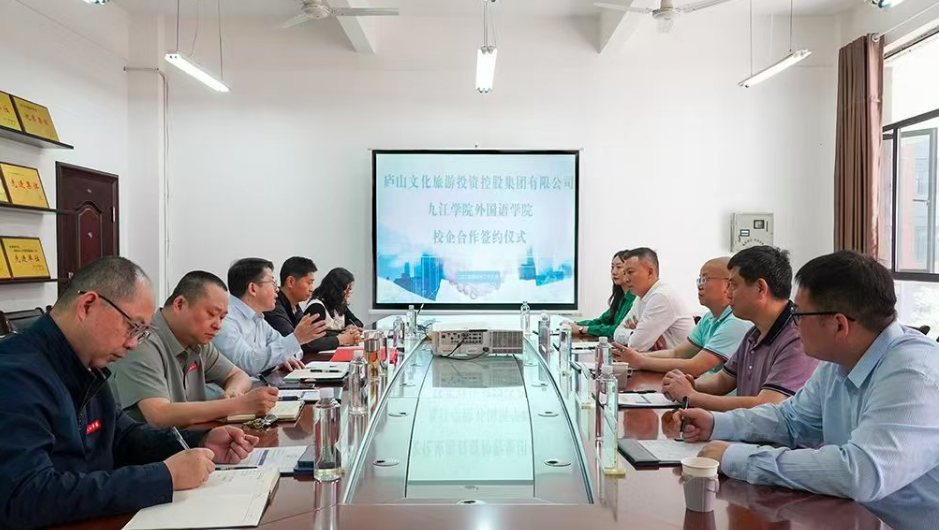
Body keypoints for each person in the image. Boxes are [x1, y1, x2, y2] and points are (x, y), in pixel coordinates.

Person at [676, 251, 939, 530]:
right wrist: (716, 423)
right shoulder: (839, 361)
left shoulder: (915, 374)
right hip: (853, 517)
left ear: (839, 324)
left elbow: (859, 473)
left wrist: (736, 458)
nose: (794, 323)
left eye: (798, 314)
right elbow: (790, 420)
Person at [0, 257, 259, 530]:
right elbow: (25, 496)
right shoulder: (15, 376)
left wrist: (200, 441)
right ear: (87, 305)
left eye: (142, 332)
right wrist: (163, 477)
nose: (134, 344)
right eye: (133, 327)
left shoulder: (87, 363)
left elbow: (123, 437)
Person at [110, 271, 279, 427]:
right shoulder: (141, 343)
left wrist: (233, 392)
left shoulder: (198, 342)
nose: (218, 325)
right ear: (179, 304)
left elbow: (238, 375)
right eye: (211, 314)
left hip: (190, 441)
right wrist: (236, 404)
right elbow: (159, 414)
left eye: (221, 317)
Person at [661, 246, 818, 412]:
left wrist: (691, 396)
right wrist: (689, 384)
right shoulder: (754, 333)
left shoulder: (797, 337)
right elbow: (723, 380)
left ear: (760, 288)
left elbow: (769, 405)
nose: (728, 293)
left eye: (733, 285)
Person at [614, 257, 751, 376]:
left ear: (728, 284)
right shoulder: (708, 318)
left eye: (705, 279)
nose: (700, 286)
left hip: (718, 395)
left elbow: (696, 366)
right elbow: (677, 353)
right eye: (699, 280)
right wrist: (636, 357)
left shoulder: (736, 322)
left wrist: (641, 361)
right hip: (701, 387)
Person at [213, 258, 328, 377]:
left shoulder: (258, 318)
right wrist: (296, 339)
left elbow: (294, 350)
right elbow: (246, 364)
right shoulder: (224, 319)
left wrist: (281, 357)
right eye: (272, 283)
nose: (277, 289)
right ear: (253, 288)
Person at [264, 256, 351, 358]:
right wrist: (341, 339)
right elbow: (300, 341)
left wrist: (344, 335)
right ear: (291, 282)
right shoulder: (274, 307)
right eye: (309, 283)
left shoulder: (294, 305)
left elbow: (312, 333)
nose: (311, 289)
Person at [612, 247, 695, 351]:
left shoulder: (661, 296)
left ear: (650, 272)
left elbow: (636, 345)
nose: (626, 279)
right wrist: (634, 333)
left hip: (678, 361)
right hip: (658, 358)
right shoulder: (640, 297)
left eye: (630, 272)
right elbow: (617, 333)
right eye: (624, 273)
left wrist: (638, 335)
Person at [564, 250, 636, 339]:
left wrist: (582, 329)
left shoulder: (635, 299)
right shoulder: (620, 298)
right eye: (612, 267)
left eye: (619, 267)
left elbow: (618, 330)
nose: (614, 272)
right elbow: (602, 320)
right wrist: (575, 324)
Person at [303, 268, 364, 343]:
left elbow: (357, 322)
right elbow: (316, 338)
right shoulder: (317, 307)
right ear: (336, 290)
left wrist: (352, 327)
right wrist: (344, 336)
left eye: (350, 290)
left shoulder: (339, 305)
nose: (349, 294)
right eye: (347, 290)